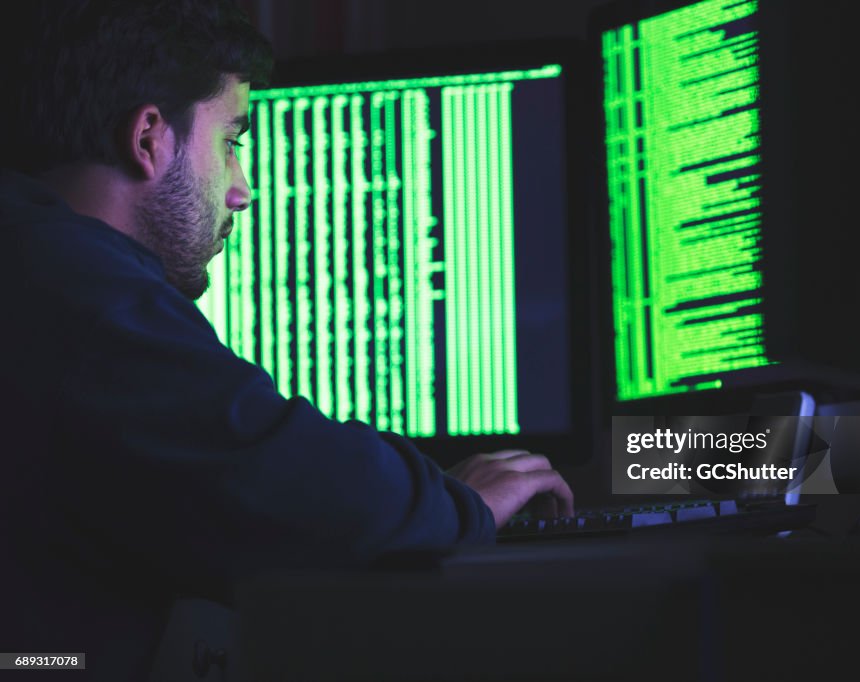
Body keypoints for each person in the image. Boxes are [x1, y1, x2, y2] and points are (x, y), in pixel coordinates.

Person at [0, 1, 573, 678]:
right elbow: (295, 482)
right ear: (149, 137)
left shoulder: (33, 254)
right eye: (231, 143)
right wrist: (462, 507)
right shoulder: (78, 292)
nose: (240, 190)